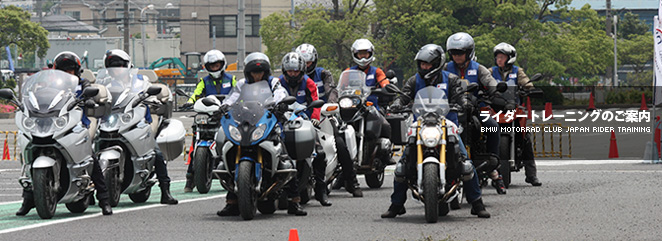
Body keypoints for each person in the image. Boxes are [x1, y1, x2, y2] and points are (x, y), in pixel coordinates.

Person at [381, 44, 490, 219]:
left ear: (437, 63)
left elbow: (460, 96)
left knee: (466, 163)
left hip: (446, 124)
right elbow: (404, 97)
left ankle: (477, 203)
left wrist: (465, 104)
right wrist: (396, 105)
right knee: (402, 164)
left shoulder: (451, 79)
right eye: (422, 64)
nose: (424, 67)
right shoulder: (414, 80)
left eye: (428, 64)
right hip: (421, 124)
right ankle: (397, 204)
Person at [16, 51, 113, 216]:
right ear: (55, 69)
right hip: (49, 123)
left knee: (90, 155)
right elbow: (34, 97)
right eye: (63, 69)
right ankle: (28, 198)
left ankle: (104, 200)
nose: (67, 72)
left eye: (70, 69)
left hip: (76, 123)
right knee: (30, 150)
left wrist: (89, 99)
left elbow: (91, 94)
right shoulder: (47, 85)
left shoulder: (83, 84)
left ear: (76, 70)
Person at [217, 52, 307, 216]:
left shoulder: (274, 83)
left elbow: (280, 95)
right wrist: (223, 106)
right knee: (228, 150)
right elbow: (232, 98)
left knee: (286, 157)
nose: (257, 75)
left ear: (266, 72)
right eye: (254, 72)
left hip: (268, 124)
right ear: (248, 73)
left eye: (260, 72)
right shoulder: (242, 84)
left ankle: (294, 201)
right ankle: (232, 202)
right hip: (246, 123)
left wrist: (280, 104)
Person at [103, 49, 179, 205]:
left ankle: (166, 191)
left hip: (139, 120)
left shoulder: (140, 81)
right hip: (116, 121)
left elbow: (152, 94)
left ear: (127, 65)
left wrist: (153, 99)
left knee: (155, 151)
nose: (116, 70)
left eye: (119, 65)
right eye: (112, 67)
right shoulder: (107, 84)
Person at [295, 44, 363, 198]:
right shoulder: (293, 77)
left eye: (309, 63)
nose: (306, 66)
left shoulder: (324, 74)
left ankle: (352, 182)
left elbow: (332, 90)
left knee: (339, 141)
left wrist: (330, 104)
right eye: (303, 63)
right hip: (300, 117)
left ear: (314, 61)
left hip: (324, 114)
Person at [444, 32, 506, 195]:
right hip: (451, 112)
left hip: (475, 110)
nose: (457, 56)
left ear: (469, 52)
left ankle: (494, 168)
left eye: (461, 53)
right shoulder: (444, 69)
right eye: (454, 53)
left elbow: (491, 82)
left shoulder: (479, 69)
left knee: (492, 127)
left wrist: (496, 95)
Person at [182, 49, 237, 192]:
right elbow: (196, 94)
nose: (214, 68)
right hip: (208, 116)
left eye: (217, 65)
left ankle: (236, 174)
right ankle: (190, 177)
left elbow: (238, 94)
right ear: (207, 67)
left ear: (222, 64)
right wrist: (189, 102)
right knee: (195, 141)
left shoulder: (231, 79)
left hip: (226, 116)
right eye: (212, 66)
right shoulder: (204, 81)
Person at [490, 42, 541, 186]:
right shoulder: (490, 71)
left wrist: (529, 88)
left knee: (526, 138)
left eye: (502, 57)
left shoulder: (517, 71)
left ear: (510, 58)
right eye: (498, 57)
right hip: (496, 109)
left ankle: (531, 175)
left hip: (514, 108)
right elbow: (483, 82)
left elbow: (526, 82)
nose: (499, 60)